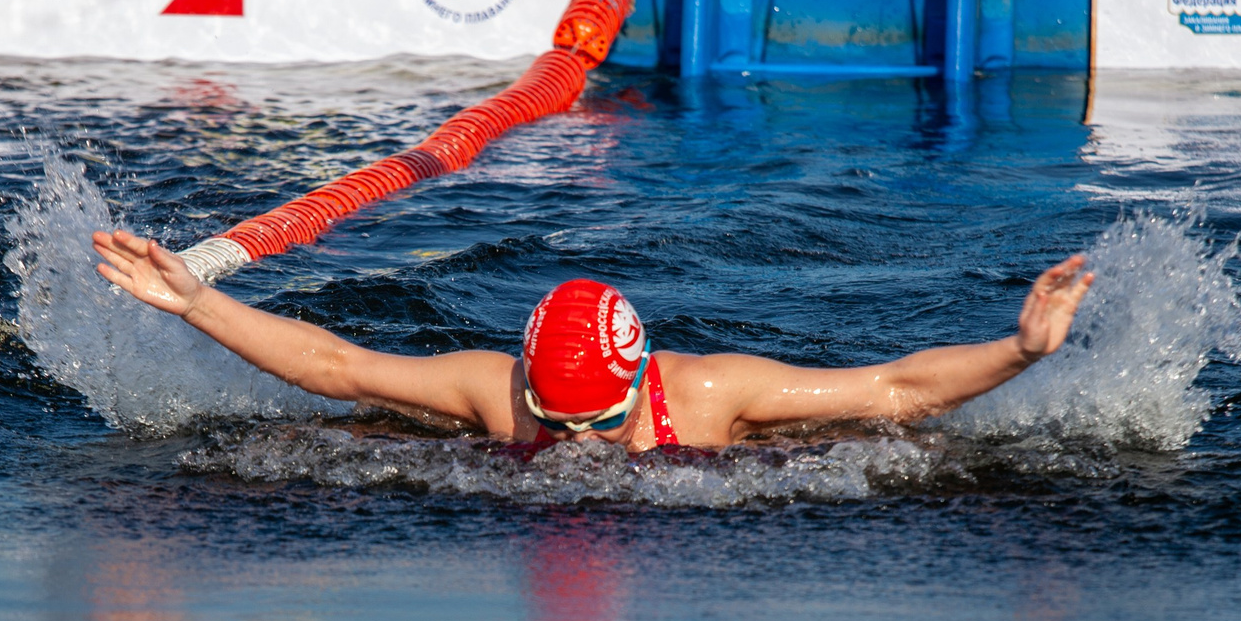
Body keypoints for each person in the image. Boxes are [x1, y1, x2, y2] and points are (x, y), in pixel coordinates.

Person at [91, 228, 1095, 453]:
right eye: (557, 419)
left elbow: (892, 390)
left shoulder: (707, 394)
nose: (574, 443)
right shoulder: (495, 390)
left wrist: (1020, 353)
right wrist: (195, 302)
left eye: (599, 421)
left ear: (638, 382)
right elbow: (339, 367)